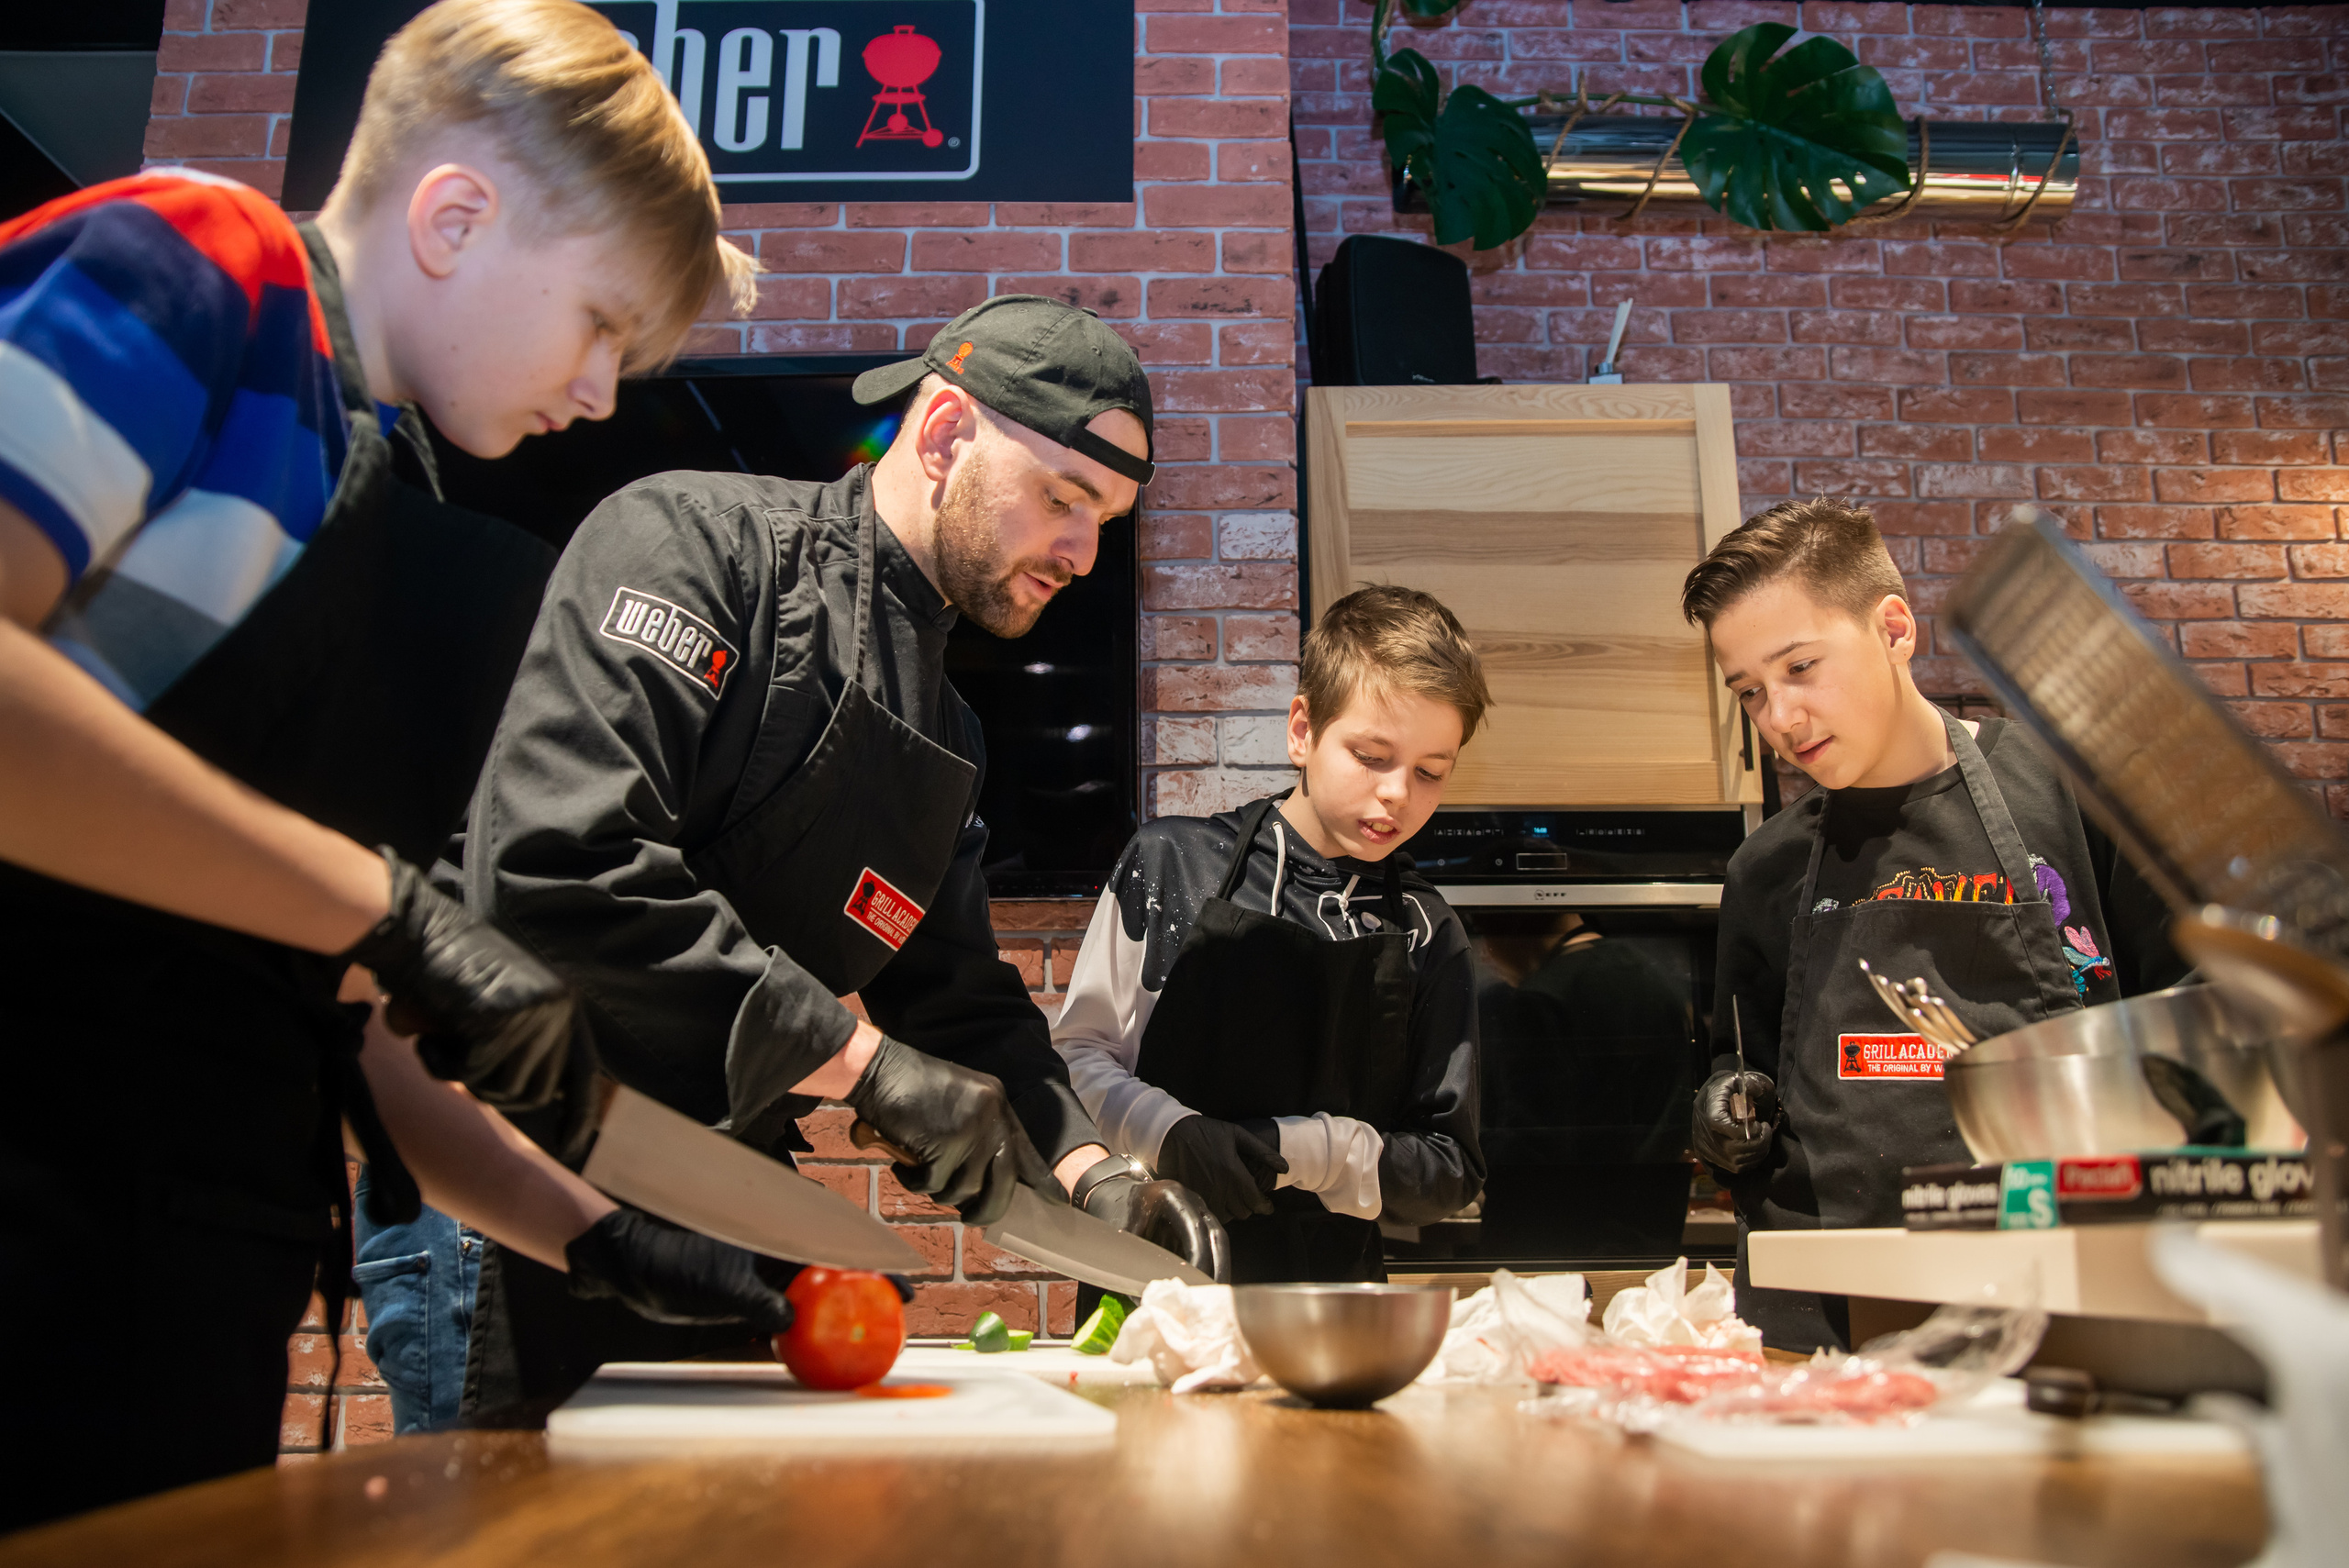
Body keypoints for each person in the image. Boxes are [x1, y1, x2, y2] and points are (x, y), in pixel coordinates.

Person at [0, 0, 797, 1526]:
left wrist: (594, 1233)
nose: (600, 390)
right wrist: (380, 901)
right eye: (602, 325)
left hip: (172, 1271)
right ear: (454, 214)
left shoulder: (359, 480)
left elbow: (312, 980)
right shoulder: (195, 262)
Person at [455, 295, 1224, 1407]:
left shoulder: (949, 732)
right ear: (946, 430)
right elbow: (556, 870)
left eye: (1104, 518)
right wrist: (866, 1067)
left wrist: (1086, 1169)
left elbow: (954, 994)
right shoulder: (693, 546)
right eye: (1065, 499)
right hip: (523, 1171)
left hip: (724, 1198)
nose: (1083, 552)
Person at [1684, 498, 2188, 1352]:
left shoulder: (2071, 794)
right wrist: (1724, 1109)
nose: (1781, 719)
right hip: (1822, 1306)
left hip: (2059, 1284)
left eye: (1801, 666)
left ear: (1894, 629)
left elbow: (2190, 1005)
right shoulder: (1763, 870)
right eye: (1751, 692)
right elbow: (1746, 1061)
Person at [1052, 585, 1489, 1284]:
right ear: (1302, 731)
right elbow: (1079, 1058)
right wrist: (1170, 1132)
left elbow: (1448, 1168)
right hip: (1154, 1280)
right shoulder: (1172, 863)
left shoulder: (1427, 931)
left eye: (1431, 772)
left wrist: (1310, 1149)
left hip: (1335, 1308)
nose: (1398, 794)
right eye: (1372, 756)